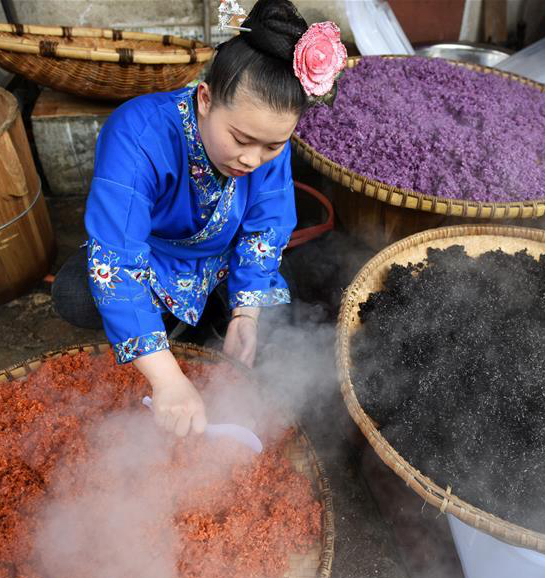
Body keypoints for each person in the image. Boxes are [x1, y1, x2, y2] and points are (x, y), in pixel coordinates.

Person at [50, 0, 347, 437]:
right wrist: (167, 379)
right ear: (205, 99)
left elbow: (266, 228)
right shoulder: (137, 134)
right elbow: (115, 260)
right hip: (155, 257)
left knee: (283, 320)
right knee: (76, 294)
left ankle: (196, 323)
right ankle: (173, 334)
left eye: (272, 146)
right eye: (241, 139)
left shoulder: (266, 145)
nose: (253, 159)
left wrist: (246, 314)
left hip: (222, 261)